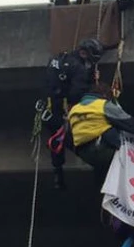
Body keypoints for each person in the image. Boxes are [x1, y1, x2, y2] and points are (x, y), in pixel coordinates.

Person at [43, 38, 106, 188]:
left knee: (56, 140)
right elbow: (78, 92)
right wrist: (92, 78)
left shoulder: (58, 59)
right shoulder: (79, 69)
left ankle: (57, 172)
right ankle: (99, 170)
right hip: (66, 111)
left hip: (50, 107)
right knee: (77, 142)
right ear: (84, 53)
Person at [68, 82, 134, 187]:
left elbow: (68, 134)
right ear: (105, 95)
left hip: (83, 153)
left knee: (102, 171)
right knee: (115, 130)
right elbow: (131, 124)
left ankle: (102, 187)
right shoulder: (103, 105)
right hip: (103, 148)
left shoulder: (74, 109)